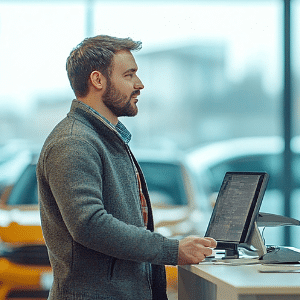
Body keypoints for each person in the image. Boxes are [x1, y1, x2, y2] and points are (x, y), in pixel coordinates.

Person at [38, 35, 216, 299]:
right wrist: (172, 250)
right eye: (129, 75)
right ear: (98, 80)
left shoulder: (104, 138)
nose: (140, 84)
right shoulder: (74, 142)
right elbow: (89, 225)